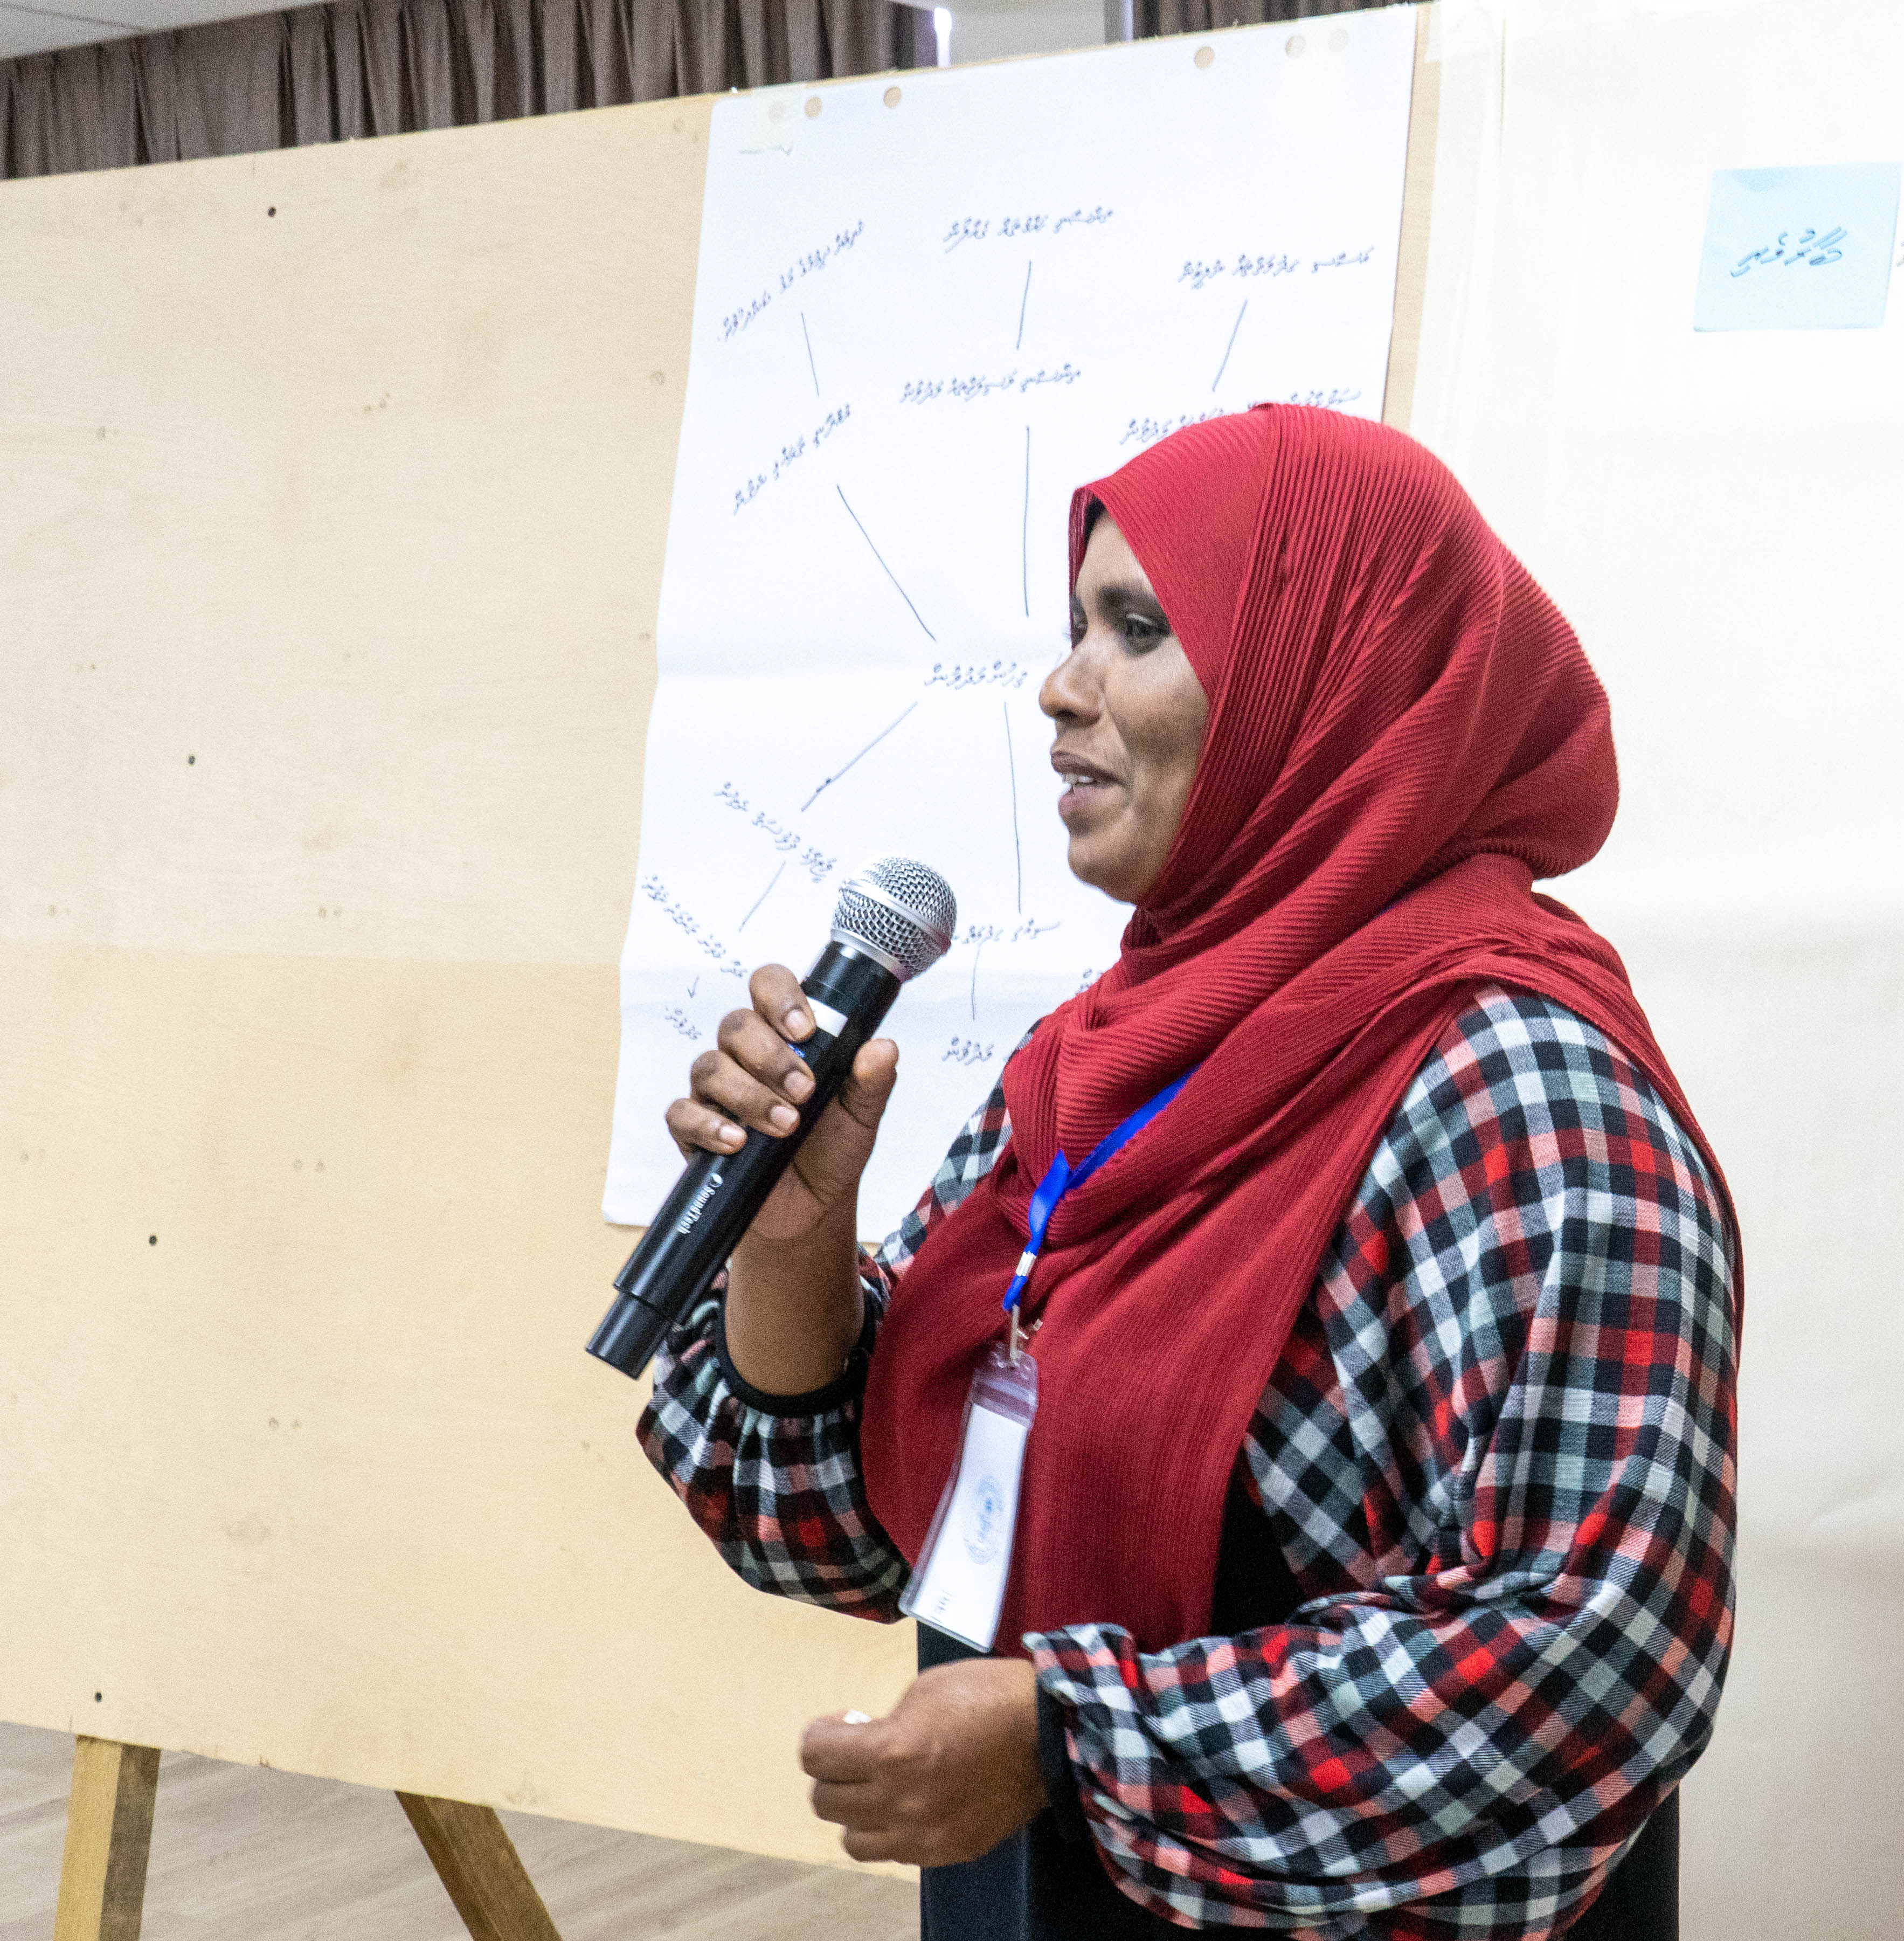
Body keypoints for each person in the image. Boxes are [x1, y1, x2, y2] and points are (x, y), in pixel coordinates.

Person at [636, 405, 1740, 1939]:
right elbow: (849, 1529)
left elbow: (1581, 1662)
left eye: (1138, 630)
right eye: (1075, 626)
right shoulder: (1099, 1059)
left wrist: (1071, 1743)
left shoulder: (1521, 1093)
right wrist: (790, 1242)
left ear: (1321, 679)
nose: (1060, 685)